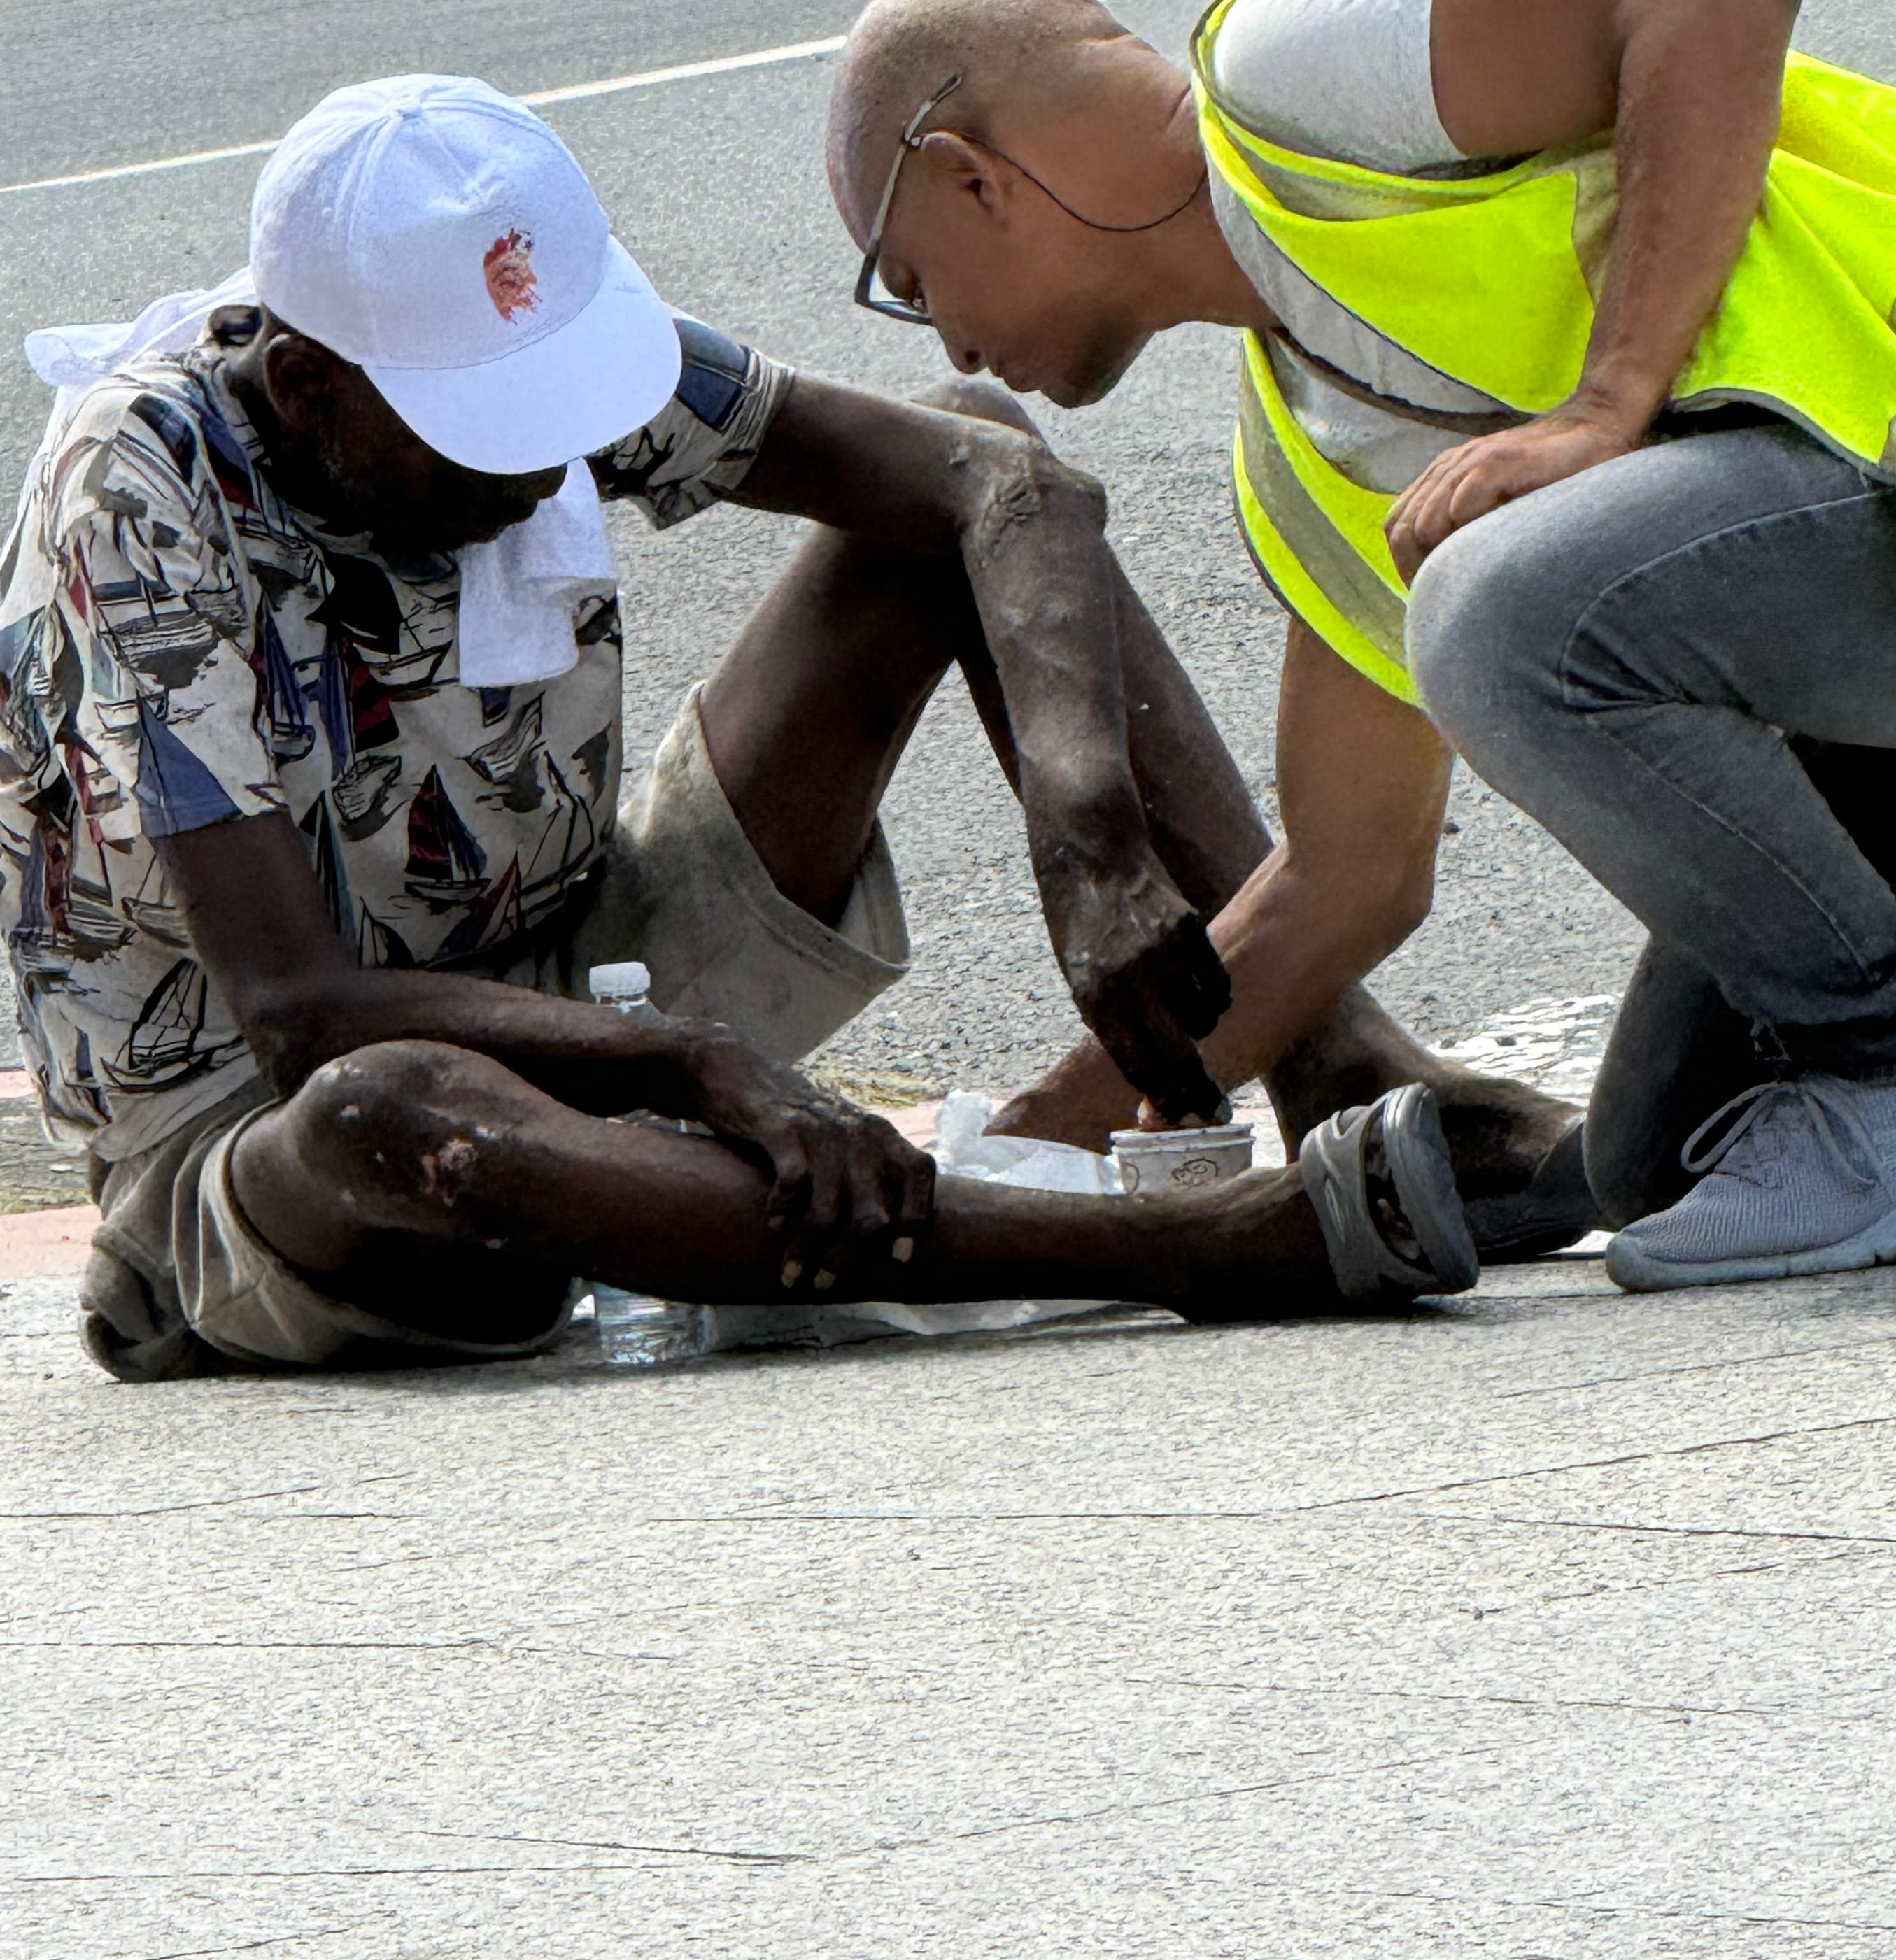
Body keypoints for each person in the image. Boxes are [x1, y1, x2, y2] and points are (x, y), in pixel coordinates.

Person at [0, 72, 1515, 1384]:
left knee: (964, 467)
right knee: (392, 1110)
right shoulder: (136, 493)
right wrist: (692, 1068)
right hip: (269, 1133)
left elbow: (1004, 489)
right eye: (488, 439)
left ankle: (1334, 1054)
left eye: (557, 412)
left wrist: (1086, 824)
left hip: (581, 969)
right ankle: (1183, 1250)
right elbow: (295, 1005)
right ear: (310, 382)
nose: (542, 466)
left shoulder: (510, 343)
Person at [827, 0, 1896, 1291]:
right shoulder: (1308, 457)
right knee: (1668, 1159)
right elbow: (1345, 879)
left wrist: (1605, 405)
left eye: (914, 287)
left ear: (973, 179)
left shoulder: (1293, 61)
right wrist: (1027, 1145)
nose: (954, 345)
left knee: (1500, 610)